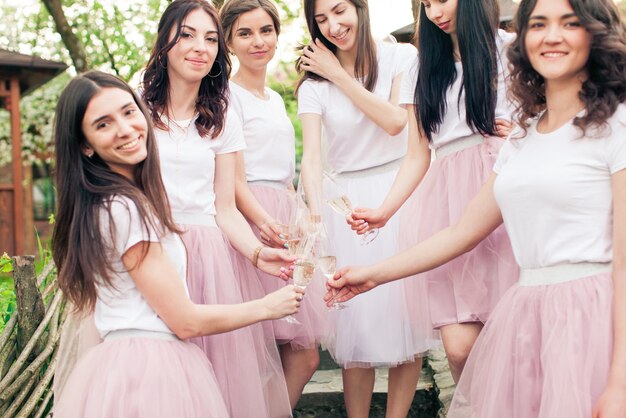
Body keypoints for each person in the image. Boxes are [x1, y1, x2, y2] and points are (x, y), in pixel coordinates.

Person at [329, 0, 626, 416]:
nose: (551, 36)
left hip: (585, 302)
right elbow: (459, 232)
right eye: (539, 24)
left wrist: (620, 382)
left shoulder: (612, 127)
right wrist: (371, 273)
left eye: (569, 23)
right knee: (472, 352)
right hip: (513, 277)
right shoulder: (524, 141)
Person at [51, 71, 303, 417]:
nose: (125, 129)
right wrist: (268, 307)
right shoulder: (126, 209)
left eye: (128, 112)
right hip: (150, 372)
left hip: (126, 364)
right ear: (85, 144)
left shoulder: (108, 204)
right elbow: (185, 320)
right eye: (104, 124)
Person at [349, 0, 519, 383]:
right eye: (425, 4)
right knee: (460, 348)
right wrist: (385, 210)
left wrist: (521, 135)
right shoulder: (420, 67)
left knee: (512, 340)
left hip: (503, 188)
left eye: (442, 0)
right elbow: (416, 155)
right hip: (446, 203)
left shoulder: (510, 51)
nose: (434, 12)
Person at [141, 1, 293, 416]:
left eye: (210, 39)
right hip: (149, 251)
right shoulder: (136, 102)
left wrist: (260, 255)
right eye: (187, 35)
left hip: (209, 259)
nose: (199, 47)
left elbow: (225, 209)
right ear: (165, 41)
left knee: (216, 386)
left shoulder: (222, 115)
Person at [296, 0, 435, 416]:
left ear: (360, 8)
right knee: (354, 328)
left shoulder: (401, 56)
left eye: (340, 11)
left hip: (399, 191)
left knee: (405, 322)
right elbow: (312, 158)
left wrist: (339, 73)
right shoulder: (313, 84)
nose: (333, 25)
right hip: (345, 203)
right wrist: (316, 212)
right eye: (321, 19)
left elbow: (395, 121)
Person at [219, 0, 328, 407]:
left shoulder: (275, 98)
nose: (258, 41)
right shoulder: (225, 96)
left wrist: (299, 214)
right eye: (245, 33)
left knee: (303, 352)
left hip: (285, 212)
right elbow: (232, 176)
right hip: (250, 221)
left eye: (266, 30)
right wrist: (265, 222)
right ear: (228, 42)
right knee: (256, 348)